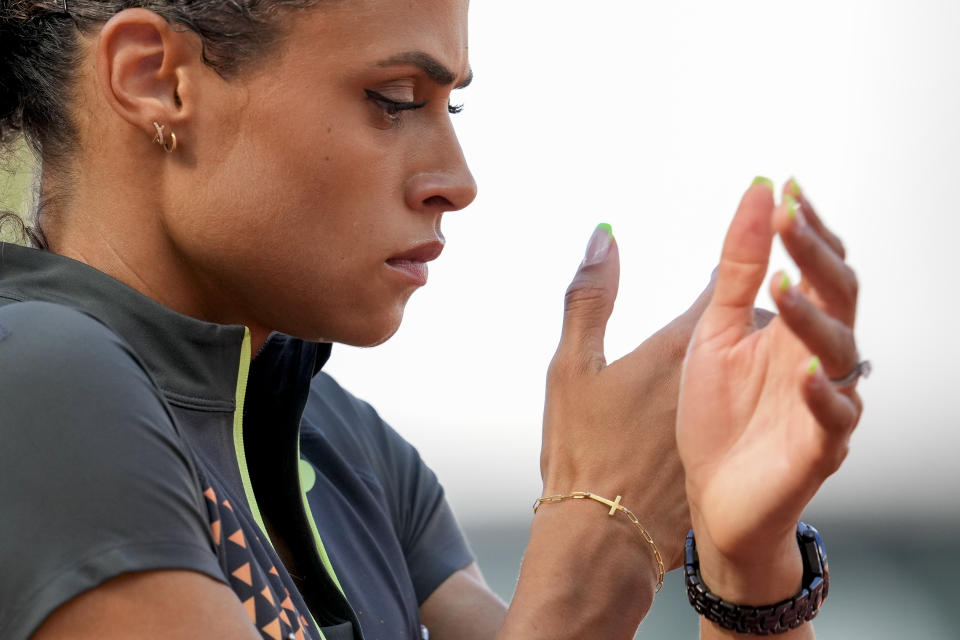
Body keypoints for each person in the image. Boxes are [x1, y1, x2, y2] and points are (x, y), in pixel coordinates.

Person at [0, 0, 865, 638]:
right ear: (155, 77)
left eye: (453, 107)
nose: (456, 178)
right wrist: (598, 535)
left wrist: (748, 569)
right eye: (396, 98)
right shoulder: (38, 383)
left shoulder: (347, 450)